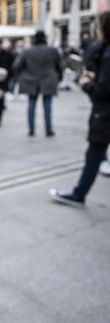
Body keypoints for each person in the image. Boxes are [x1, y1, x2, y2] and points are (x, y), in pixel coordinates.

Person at [50, 12, 110, 207]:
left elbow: (104, 90)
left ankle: (79, 194)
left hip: (105, 114)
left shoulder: (107, 54)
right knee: (95, 152)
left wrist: (86, 84)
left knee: (94, 152)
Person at [13, 30, 62, 136]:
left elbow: (16, 66)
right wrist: (58, 78)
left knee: (31, 105)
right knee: (47, 106)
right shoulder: (52, 50)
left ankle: (31, 129)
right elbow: (59, 66)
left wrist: (23, 76)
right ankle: (48, 130)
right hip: (48, 80)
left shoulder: (27, 51)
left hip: (31, 81)